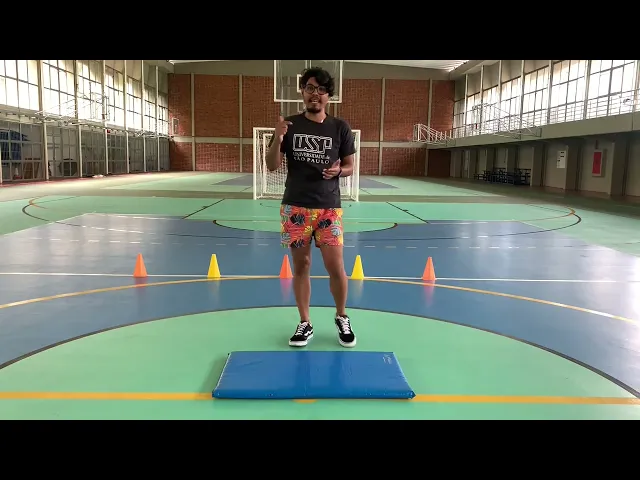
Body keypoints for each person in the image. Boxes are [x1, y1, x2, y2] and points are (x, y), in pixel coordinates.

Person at [265, 66, 357, 349]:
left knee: (335, 266)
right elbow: (271, 165)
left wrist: (338, 171)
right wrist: (278, 137)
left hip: (329, 208)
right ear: (302, 92)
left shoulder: (340, 128)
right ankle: (305, 322)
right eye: (310, 88)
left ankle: (342, 316)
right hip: (295, 207)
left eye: (321, 90)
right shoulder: (289, 125)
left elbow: (350, 167)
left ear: (329, 95)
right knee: (301, 266)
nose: (315, 94)